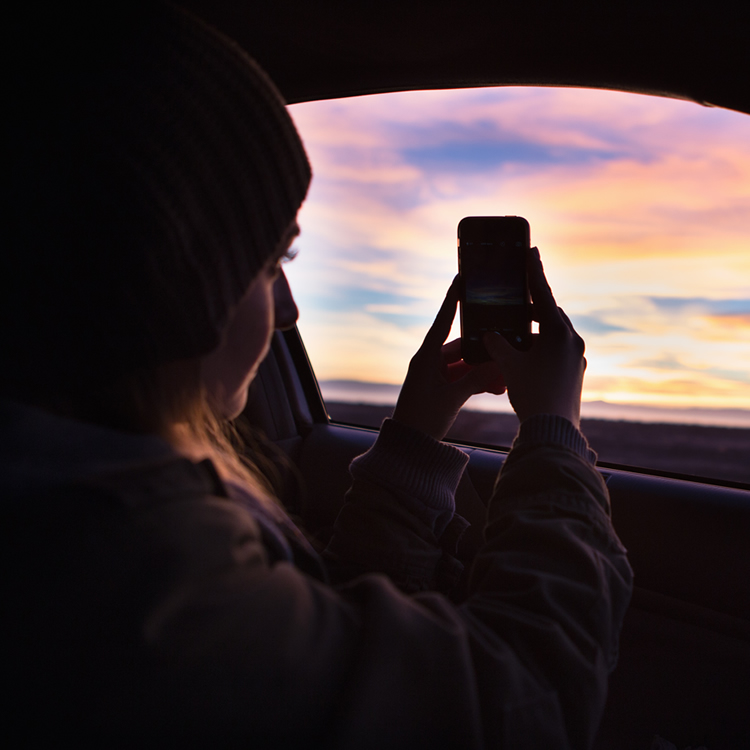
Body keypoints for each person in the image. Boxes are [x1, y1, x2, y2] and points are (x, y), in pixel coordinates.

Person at [1, 3, 633, 747]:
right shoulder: (132, 563)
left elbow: (335, 660)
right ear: (169, 282)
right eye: (274, 263)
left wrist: (414, 442)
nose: (290, 309)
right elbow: (522, 703)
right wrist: (554, 435)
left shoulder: (82, 515)